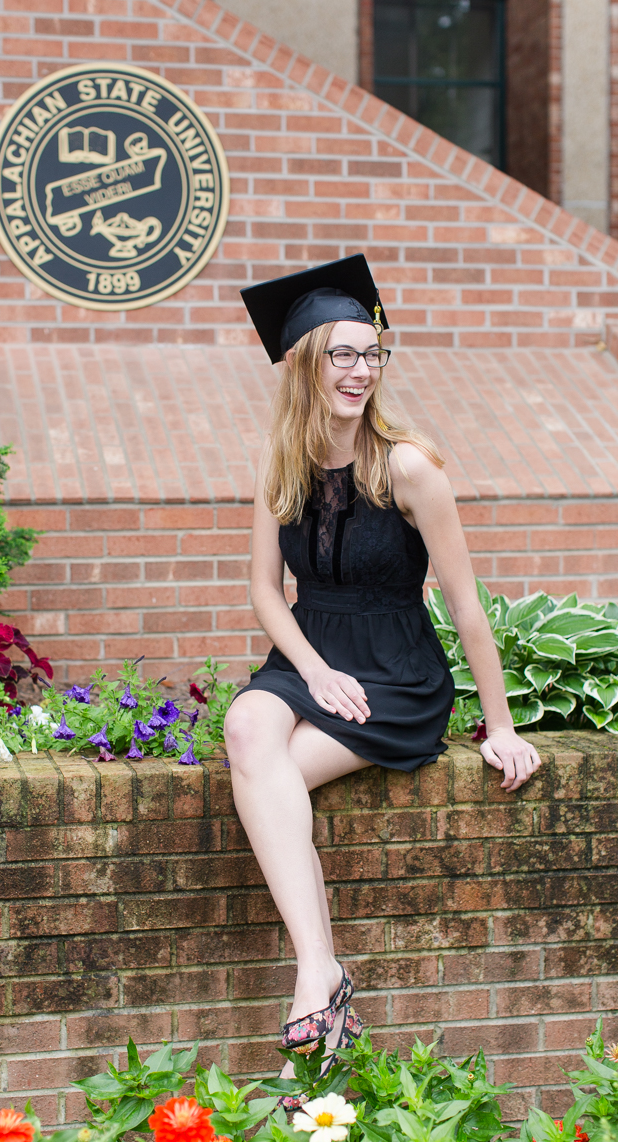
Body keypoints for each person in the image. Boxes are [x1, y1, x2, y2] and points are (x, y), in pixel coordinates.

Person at [226, 255, 541, 1091]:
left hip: (397, 677)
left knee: (270, 777)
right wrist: (314, 671)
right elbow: (264, 588)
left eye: (374, 354)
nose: (361, 370)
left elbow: (467, 607)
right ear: (304, 365)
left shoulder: (408, 467)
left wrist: (500, 725)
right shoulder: (280, 465)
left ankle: (313, 977)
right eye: (343, 354)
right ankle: (322, 970)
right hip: (315, 659)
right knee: (247, 725)